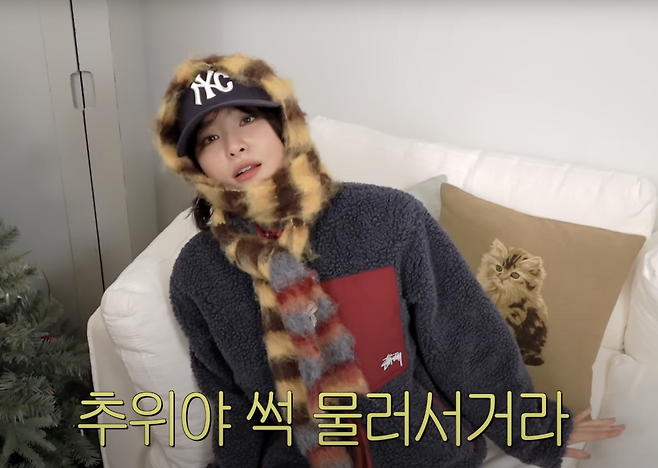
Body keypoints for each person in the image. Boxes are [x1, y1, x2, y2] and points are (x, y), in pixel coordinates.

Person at [153, 53, 624, 468]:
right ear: (194, 166)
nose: (233, 145)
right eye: (209, 138)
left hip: (423, 451)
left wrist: (536, 431)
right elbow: (230, 404)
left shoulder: (386, 218)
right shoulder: (198, 274)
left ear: (284, 125)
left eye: (247, 119)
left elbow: (462, 336)